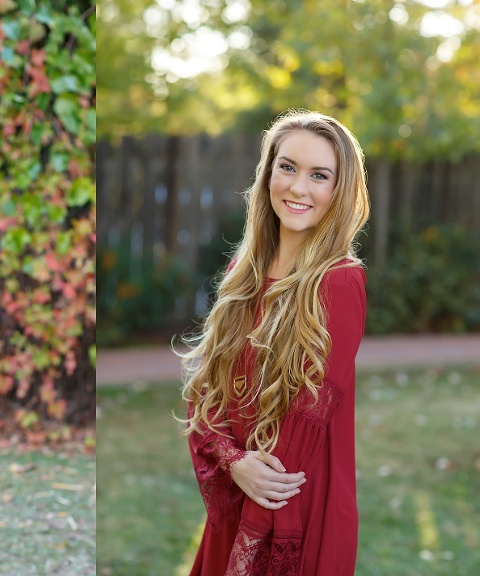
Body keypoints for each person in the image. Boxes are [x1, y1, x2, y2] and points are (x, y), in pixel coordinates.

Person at [180, 110, 371, 575]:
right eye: (287, 167)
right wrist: (233, 461)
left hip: (293, 508)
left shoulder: (340, 283)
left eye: (319, 175)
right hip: (241, 483)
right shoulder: (241, 275)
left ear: (339, 191)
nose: (298, 188)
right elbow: (205, 390)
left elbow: (301, 432)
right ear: (268, 172)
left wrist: (250, 539)